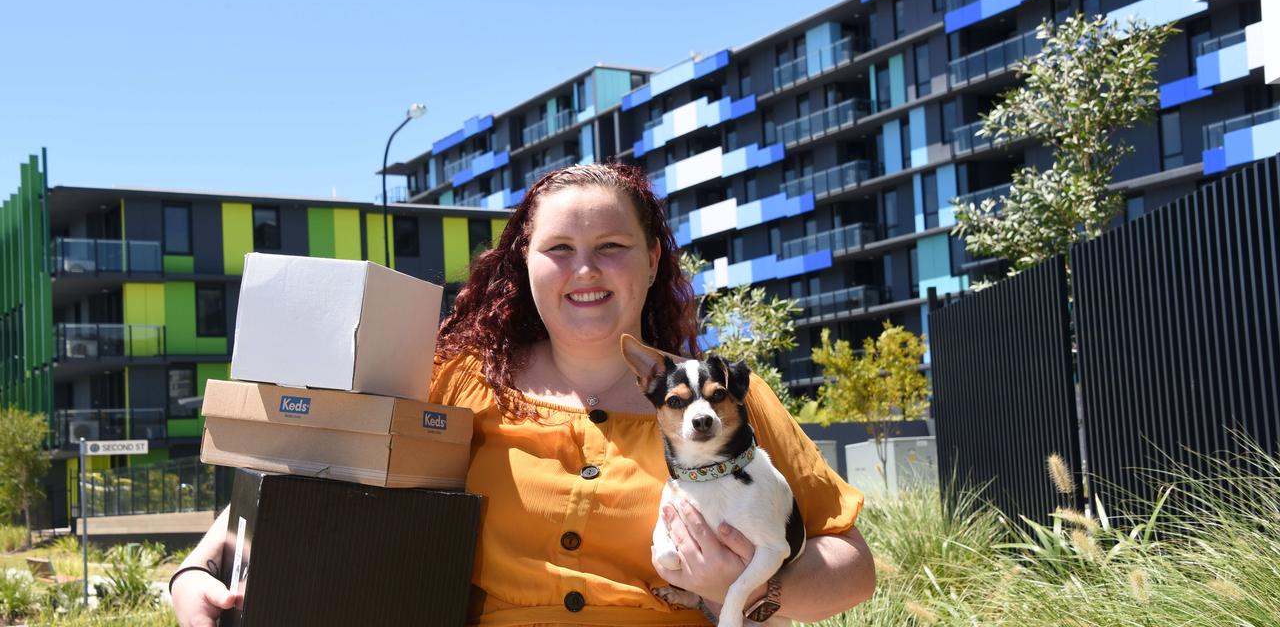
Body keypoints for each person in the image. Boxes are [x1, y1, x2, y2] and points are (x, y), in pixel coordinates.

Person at [170, 163, 875, 626]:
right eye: (559, 249)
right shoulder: (454, 382)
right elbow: (311, 477)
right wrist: (197, 572)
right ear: (525, 264)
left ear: (653, 258)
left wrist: (748, 592)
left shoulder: (722, 400)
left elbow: (852, 563)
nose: (585, 270)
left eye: (613, 247)